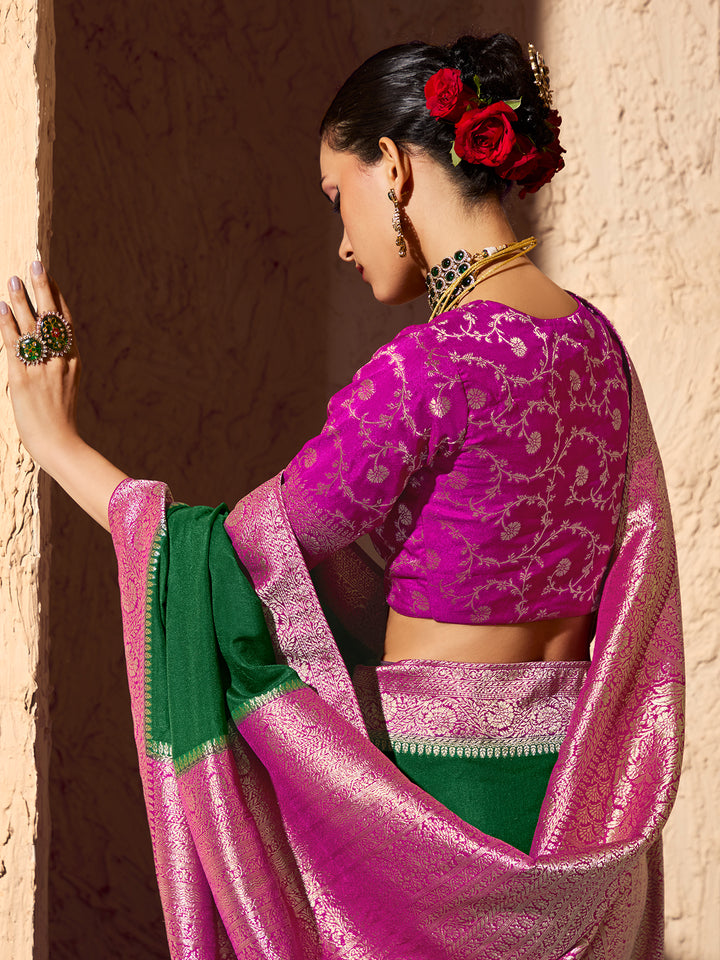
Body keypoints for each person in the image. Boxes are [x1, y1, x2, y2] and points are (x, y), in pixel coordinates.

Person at [1, 33, 683, 960]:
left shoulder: (430, 368)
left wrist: (59, 445)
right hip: (572, 813)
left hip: (443, 817)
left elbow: (232, 559)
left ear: (392, 168)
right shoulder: (598, 348)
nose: (342, 240)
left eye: (337, 196)